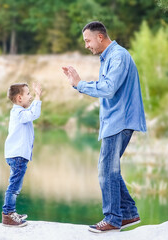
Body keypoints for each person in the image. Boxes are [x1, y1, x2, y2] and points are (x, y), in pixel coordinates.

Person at [62, 21, 147, 233]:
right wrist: (78, 83)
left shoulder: (118, 56)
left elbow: (108, 88)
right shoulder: (109, 57)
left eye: (88, 40)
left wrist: (80, 84)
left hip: (120, 121)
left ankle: (112, 218)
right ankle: (127, 213)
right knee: (111, 169)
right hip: (114, 120)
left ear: (100, 37)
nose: (86, 45)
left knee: (106, 169)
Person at [2, 82, 42, 227]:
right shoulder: (19, 113)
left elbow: (31, 112)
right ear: (19, 98)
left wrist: (35, 98)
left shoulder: (19, 112)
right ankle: (8, 215)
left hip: (17, 155)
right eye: (28, 94)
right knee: (14, 186)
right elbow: (34, 113)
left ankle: (11, 212)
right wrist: (38, 96)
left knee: (15, 185)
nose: (30, 97)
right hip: (17, 156)